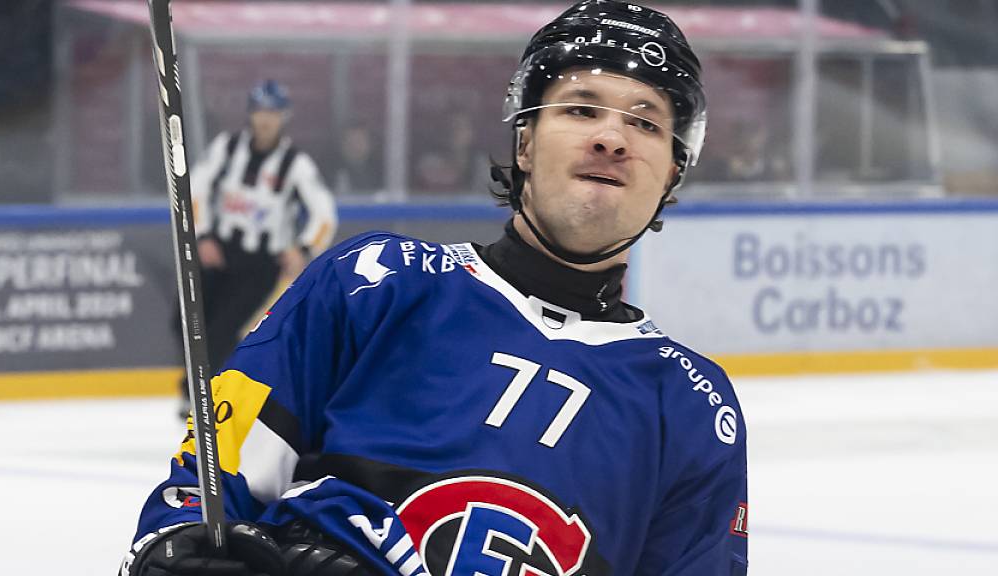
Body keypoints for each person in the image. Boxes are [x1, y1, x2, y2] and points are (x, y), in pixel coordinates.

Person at [124, 3, 747, 575]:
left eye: (645, 122)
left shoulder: (693, 406)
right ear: (525, 142)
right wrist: (172, 541)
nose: (611, 138)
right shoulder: (375, 282)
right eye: (581, 109)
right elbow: (211, 484)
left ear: (673, 171)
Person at [172, 79, 338, 416]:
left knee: (221, 330)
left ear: (284, 116)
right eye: (260, 111)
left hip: (261, 264)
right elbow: (195, 188)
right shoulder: (227, 147)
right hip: (218, 252)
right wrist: (202, 235)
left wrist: (304, 249)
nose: (265, 119)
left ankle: (200, 397)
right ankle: (220, 385)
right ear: (250, 113)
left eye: (273, 112)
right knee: (183, 320)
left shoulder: (295, 164)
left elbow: (324, 215)